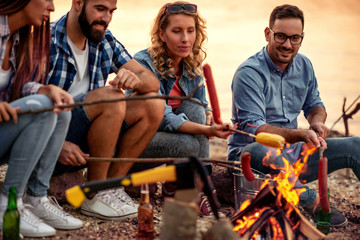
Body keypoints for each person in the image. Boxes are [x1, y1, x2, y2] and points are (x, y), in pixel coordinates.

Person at [23, 0, 164, 221]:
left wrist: (135, 80)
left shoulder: (105, 40)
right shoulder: (44, 41)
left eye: (111, 11)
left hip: (88, 139)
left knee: (154, 103)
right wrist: (56, 144)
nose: (106, 18)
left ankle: (111, 188)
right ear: (78, 3)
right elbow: (22, 103)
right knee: (112, 96)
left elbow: (152, 82)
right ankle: (95, 193)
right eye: (100, 9)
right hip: (46, 141)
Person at [228, 4, 360, 227]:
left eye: (294, 38)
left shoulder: (304, 65)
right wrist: (300, 134)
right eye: (280, 36)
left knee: (356, 145)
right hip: (253, 161)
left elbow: (315, 105)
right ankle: (313, 202)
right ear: (267, 34)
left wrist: (317, 123)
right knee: (257, 148)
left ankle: (297, 187)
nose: (287, 45)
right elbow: (256, 131)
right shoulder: (248, 73)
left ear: (301, 38)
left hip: (295, 158)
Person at [133, 1, 233, 217]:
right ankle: (196, 188)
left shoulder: (191, 63)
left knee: (197, 111)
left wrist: (211, 120)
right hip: (137, 143)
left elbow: (201, 104)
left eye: (190, 31)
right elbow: (164, 118)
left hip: (169, 141)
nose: (185, 39)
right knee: (188, 143)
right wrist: (207, 132)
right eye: (176, 31)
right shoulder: (143, 63)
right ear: (162, 34)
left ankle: (185, 187)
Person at [0, 0, 83, 237]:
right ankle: (8, 204)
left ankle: (36, 198)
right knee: (43, 106)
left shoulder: (15, 40)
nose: (52, 7)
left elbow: (15, 88)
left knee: (59, 106)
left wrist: (44, 89)